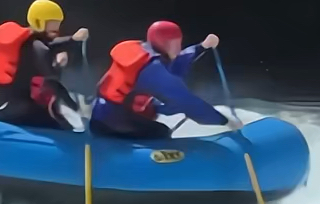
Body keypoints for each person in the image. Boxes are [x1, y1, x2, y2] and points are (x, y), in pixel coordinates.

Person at [90, 20, 242, 139]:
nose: (178, 47)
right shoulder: (151, 68)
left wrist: (201, 47)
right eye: (174, 43)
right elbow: (185, 100)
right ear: (163, 44)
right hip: (111, 120)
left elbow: (173, 66)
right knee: (160, 131)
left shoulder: (146, 52)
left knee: (161, 107)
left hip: (110, 109)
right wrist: (224, 121)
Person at [0, 0, 88, 131]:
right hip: (11, 107)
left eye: (58, 23)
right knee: (50, 119)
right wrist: (59, 63)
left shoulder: (30, 39)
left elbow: (51, 45)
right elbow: (51, 76)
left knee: (46, 108)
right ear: (39, 22)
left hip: (11, 101)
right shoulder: (35, 46)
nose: (56, 27)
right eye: (52, 23)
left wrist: (73, 39)